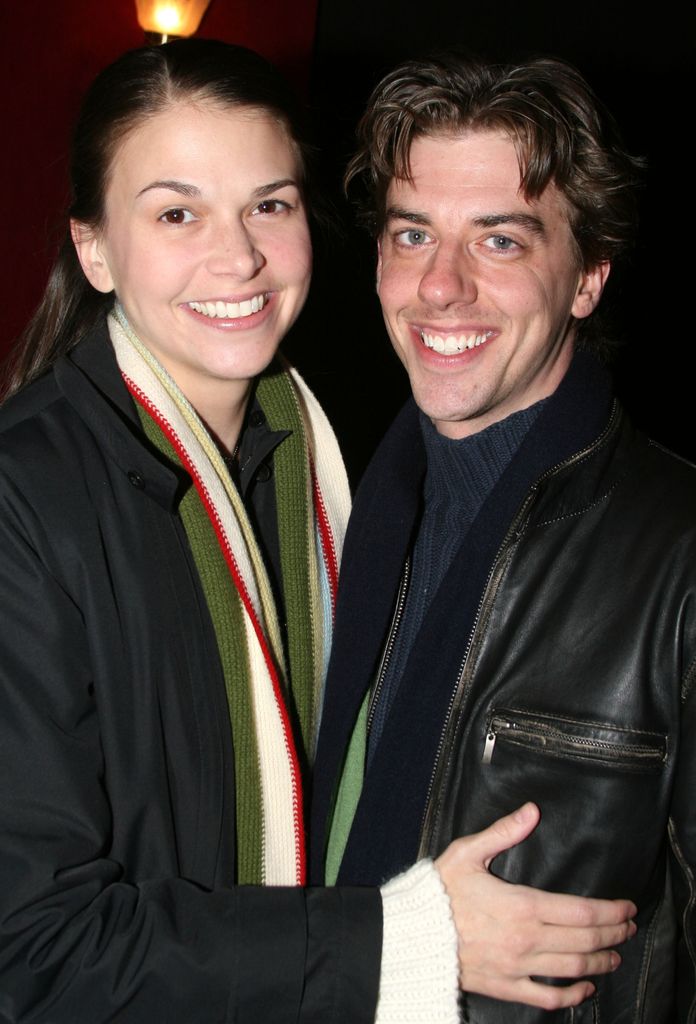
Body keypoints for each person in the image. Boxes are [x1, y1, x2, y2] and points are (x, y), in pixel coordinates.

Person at [0, 39, 635, 1024]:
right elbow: (29, 952)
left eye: (270, 204)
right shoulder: (26, 495)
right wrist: (407, 936)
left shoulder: (328, 469)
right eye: (177, 212)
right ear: (92, 247)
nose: (238, 255)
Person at [311, 51, 696, 1021]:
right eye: (413, 234)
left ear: (587, 278)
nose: (440, 288)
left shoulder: (677, 549)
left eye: (501, 242)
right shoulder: (340, 513)